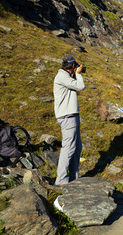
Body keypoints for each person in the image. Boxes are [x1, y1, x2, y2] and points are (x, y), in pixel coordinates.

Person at [53, 55, 85, 185]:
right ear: (72, 66)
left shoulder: (65, 77)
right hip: (67, 116)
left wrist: (75, 74)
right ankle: (61, 180)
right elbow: (80, 86)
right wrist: (79, 74)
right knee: (69, 147)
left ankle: (73, 178)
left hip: (71, 116)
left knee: (77, 147)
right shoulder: (62, 76)